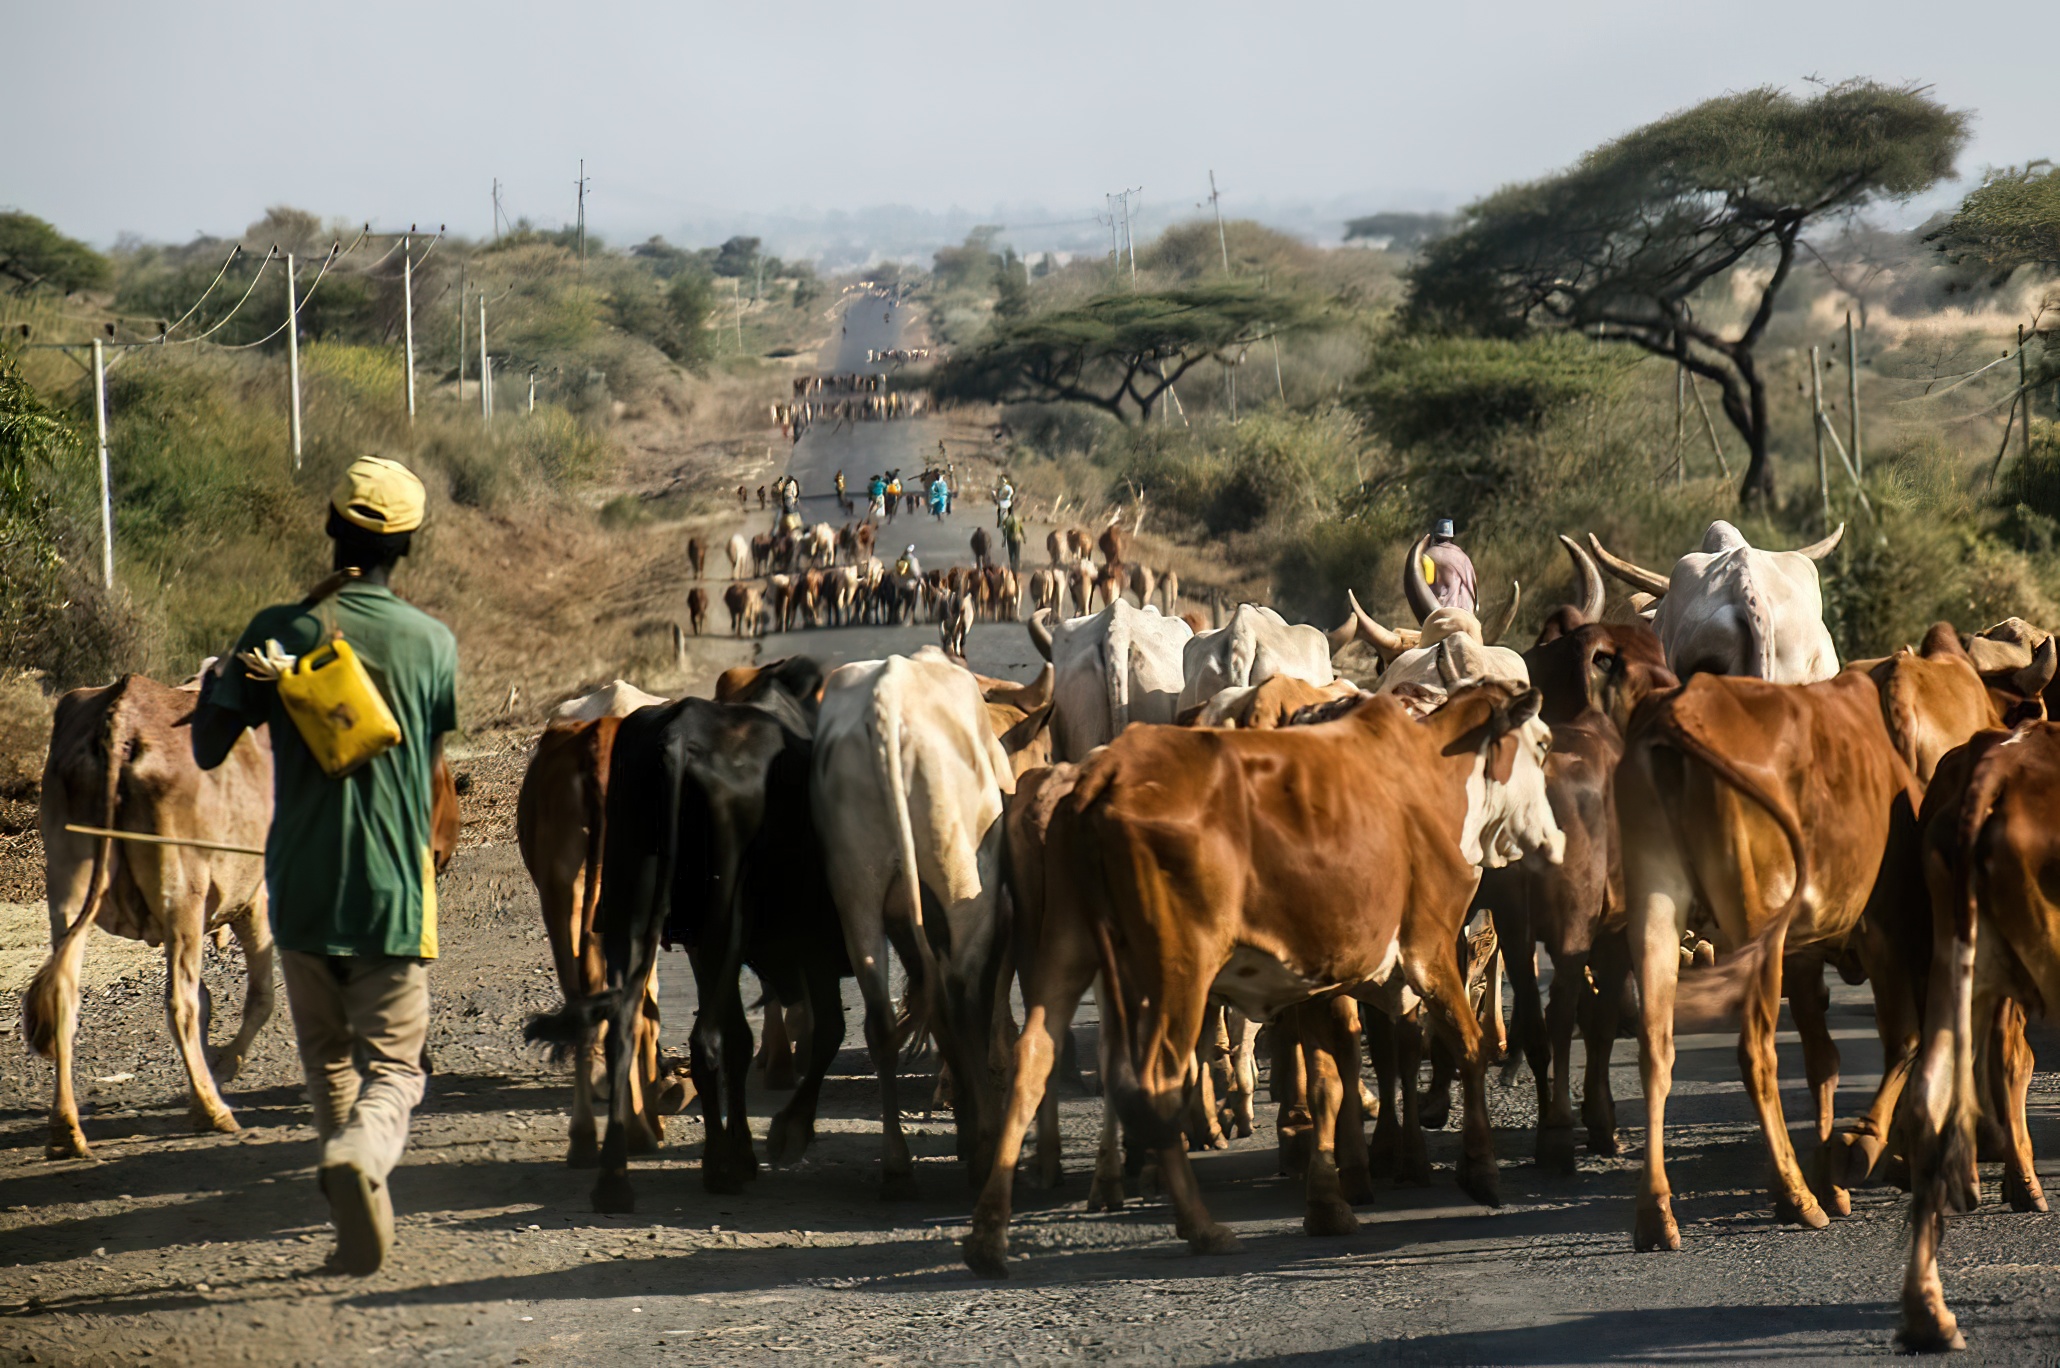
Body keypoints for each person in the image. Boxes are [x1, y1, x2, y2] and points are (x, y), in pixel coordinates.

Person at [191, 456, 458, 1277]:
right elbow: (430, 765)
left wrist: (230, 680)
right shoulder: (432, 644)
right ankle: (364, 1155)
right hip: (393, 893)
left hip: (302, 889)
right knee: (397, 1069)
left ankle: (351, 1221)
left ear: (330, 527)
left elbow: (206, 748)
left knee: (329, 1061)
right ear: (406, 546)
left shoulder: (278, 627)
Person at [1422, 517, 1479, 614]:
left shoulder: (1429, 556)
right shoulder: (1464, 557)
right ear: (1452, 537)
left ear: (1435, 537)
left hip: (1444, 613)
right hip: (1469, 613)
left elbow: (1428, 582)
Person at [1000, 507, 1025, 573]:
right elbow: (1021, 529)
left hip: (1010, 539)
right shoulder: (1018, 519)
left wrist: (1003, 540)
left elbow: (1005, 531)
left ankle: (1012, 569)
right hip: (1018, 539)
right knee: (1017, 555)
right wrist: (1024, 537)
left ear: (1008, 512)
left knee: (1011, 554)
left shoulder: (1007, 520)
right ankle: (1017, 569)